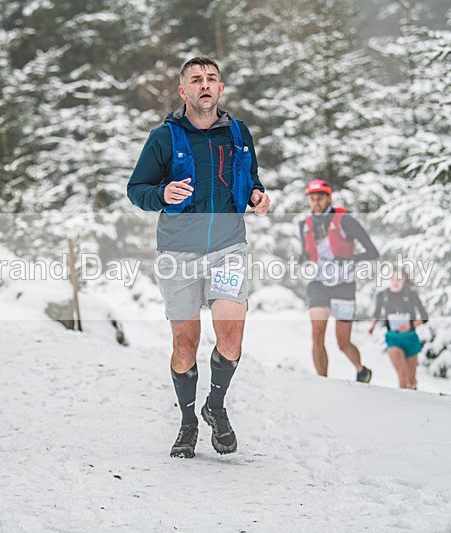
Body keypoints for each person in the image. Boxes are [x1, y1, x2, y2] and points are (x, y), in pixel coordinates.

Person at [127, 56, 270, 458]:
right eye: (196, 79)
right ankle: (188, 421)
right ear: (183, 91)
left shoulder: (238, 132)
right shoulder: (164, 137)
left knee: (231, 335)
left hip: (228, 249)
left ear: (221, 88)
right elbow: (137, 188)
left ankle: (216, 406)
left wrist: (257, 195)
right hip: (179, 253)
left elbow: (251, 177)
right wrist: (160, 195)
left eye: (211, 79)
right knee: (185, 343)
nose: (204, 84)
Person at [300, 179, 378, 381]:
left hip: (344, 285)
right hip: (318, 284)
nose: (315, 203)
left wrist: (351, 259)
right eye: (312, 199)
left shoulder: (345, 220)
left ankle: (361, 370)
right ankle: (322, 382)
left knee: (343, 343)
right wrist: (303, 259)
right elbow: (306, 252)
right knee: (317, 334)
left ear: (329, 198)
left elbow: (373, 252)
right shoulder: (305, 224)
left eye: (320, 198)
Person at [368, 268, 428, 389]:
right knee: (402, 375)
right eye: (393, 279)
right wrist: (372, 326)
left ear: (404, 280)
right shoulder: (382, 295)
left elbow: (425, 317)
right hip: (393, 338)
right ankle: (403, 403)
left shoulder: (411, 294)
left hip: (410, 338)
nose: (396, 281)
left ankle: (414, 398)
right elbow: (377, 313)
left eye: (399, 279)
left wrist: (410, 325)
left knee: (411, 380)